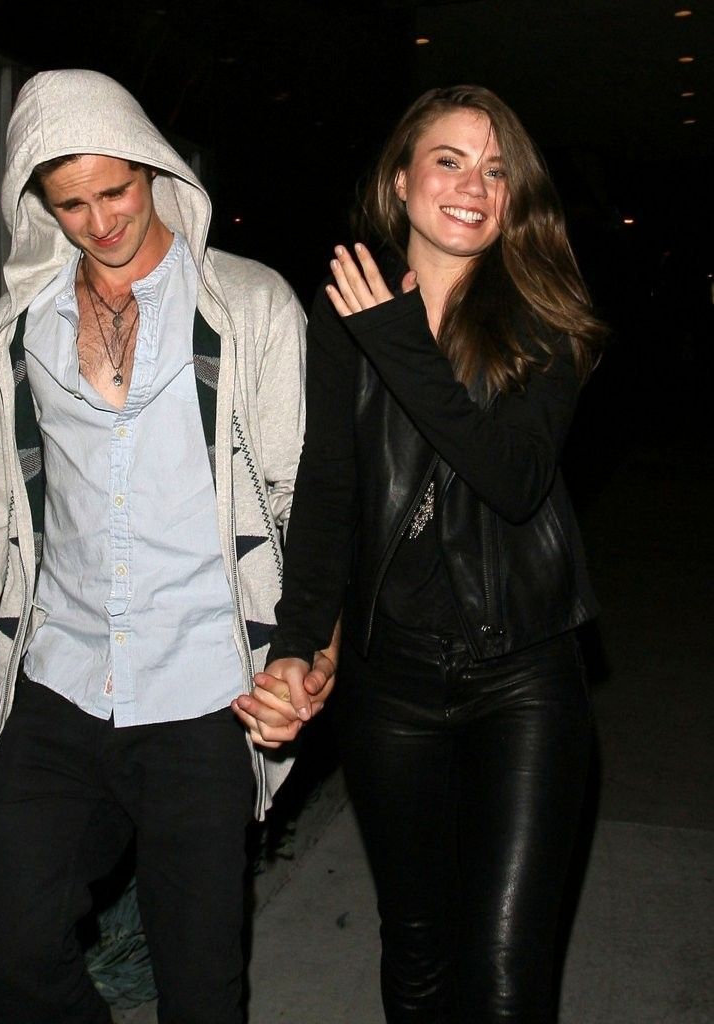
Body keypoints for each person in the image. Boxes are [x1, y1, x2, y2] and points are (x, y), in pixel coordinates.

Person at [0, 68, 333, 1024]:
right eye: (72, 204)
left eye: (116, 192)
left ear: (153, 168)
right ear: (40, 205)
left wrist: (311, 650)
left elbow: (305, 501)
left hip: (204, 692)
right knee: (14, 937)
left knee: (200, 986)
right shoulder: (20, 328)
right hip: (58, 683)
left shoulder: (247, 305)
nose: (99, 222)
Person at [233, 85, 607, 1022]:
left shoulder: (543, 316)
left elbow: (512, 477)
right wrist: (296, 643)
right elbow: (328, 489)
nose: (473, 186)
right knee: (417, 951)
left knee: (504, 979)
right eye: (449, 161)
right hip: (389, 685)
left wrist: (400, 343)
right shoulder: (343, 313)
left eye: (496, 170)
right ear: (400, 180)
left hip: (520, 678)